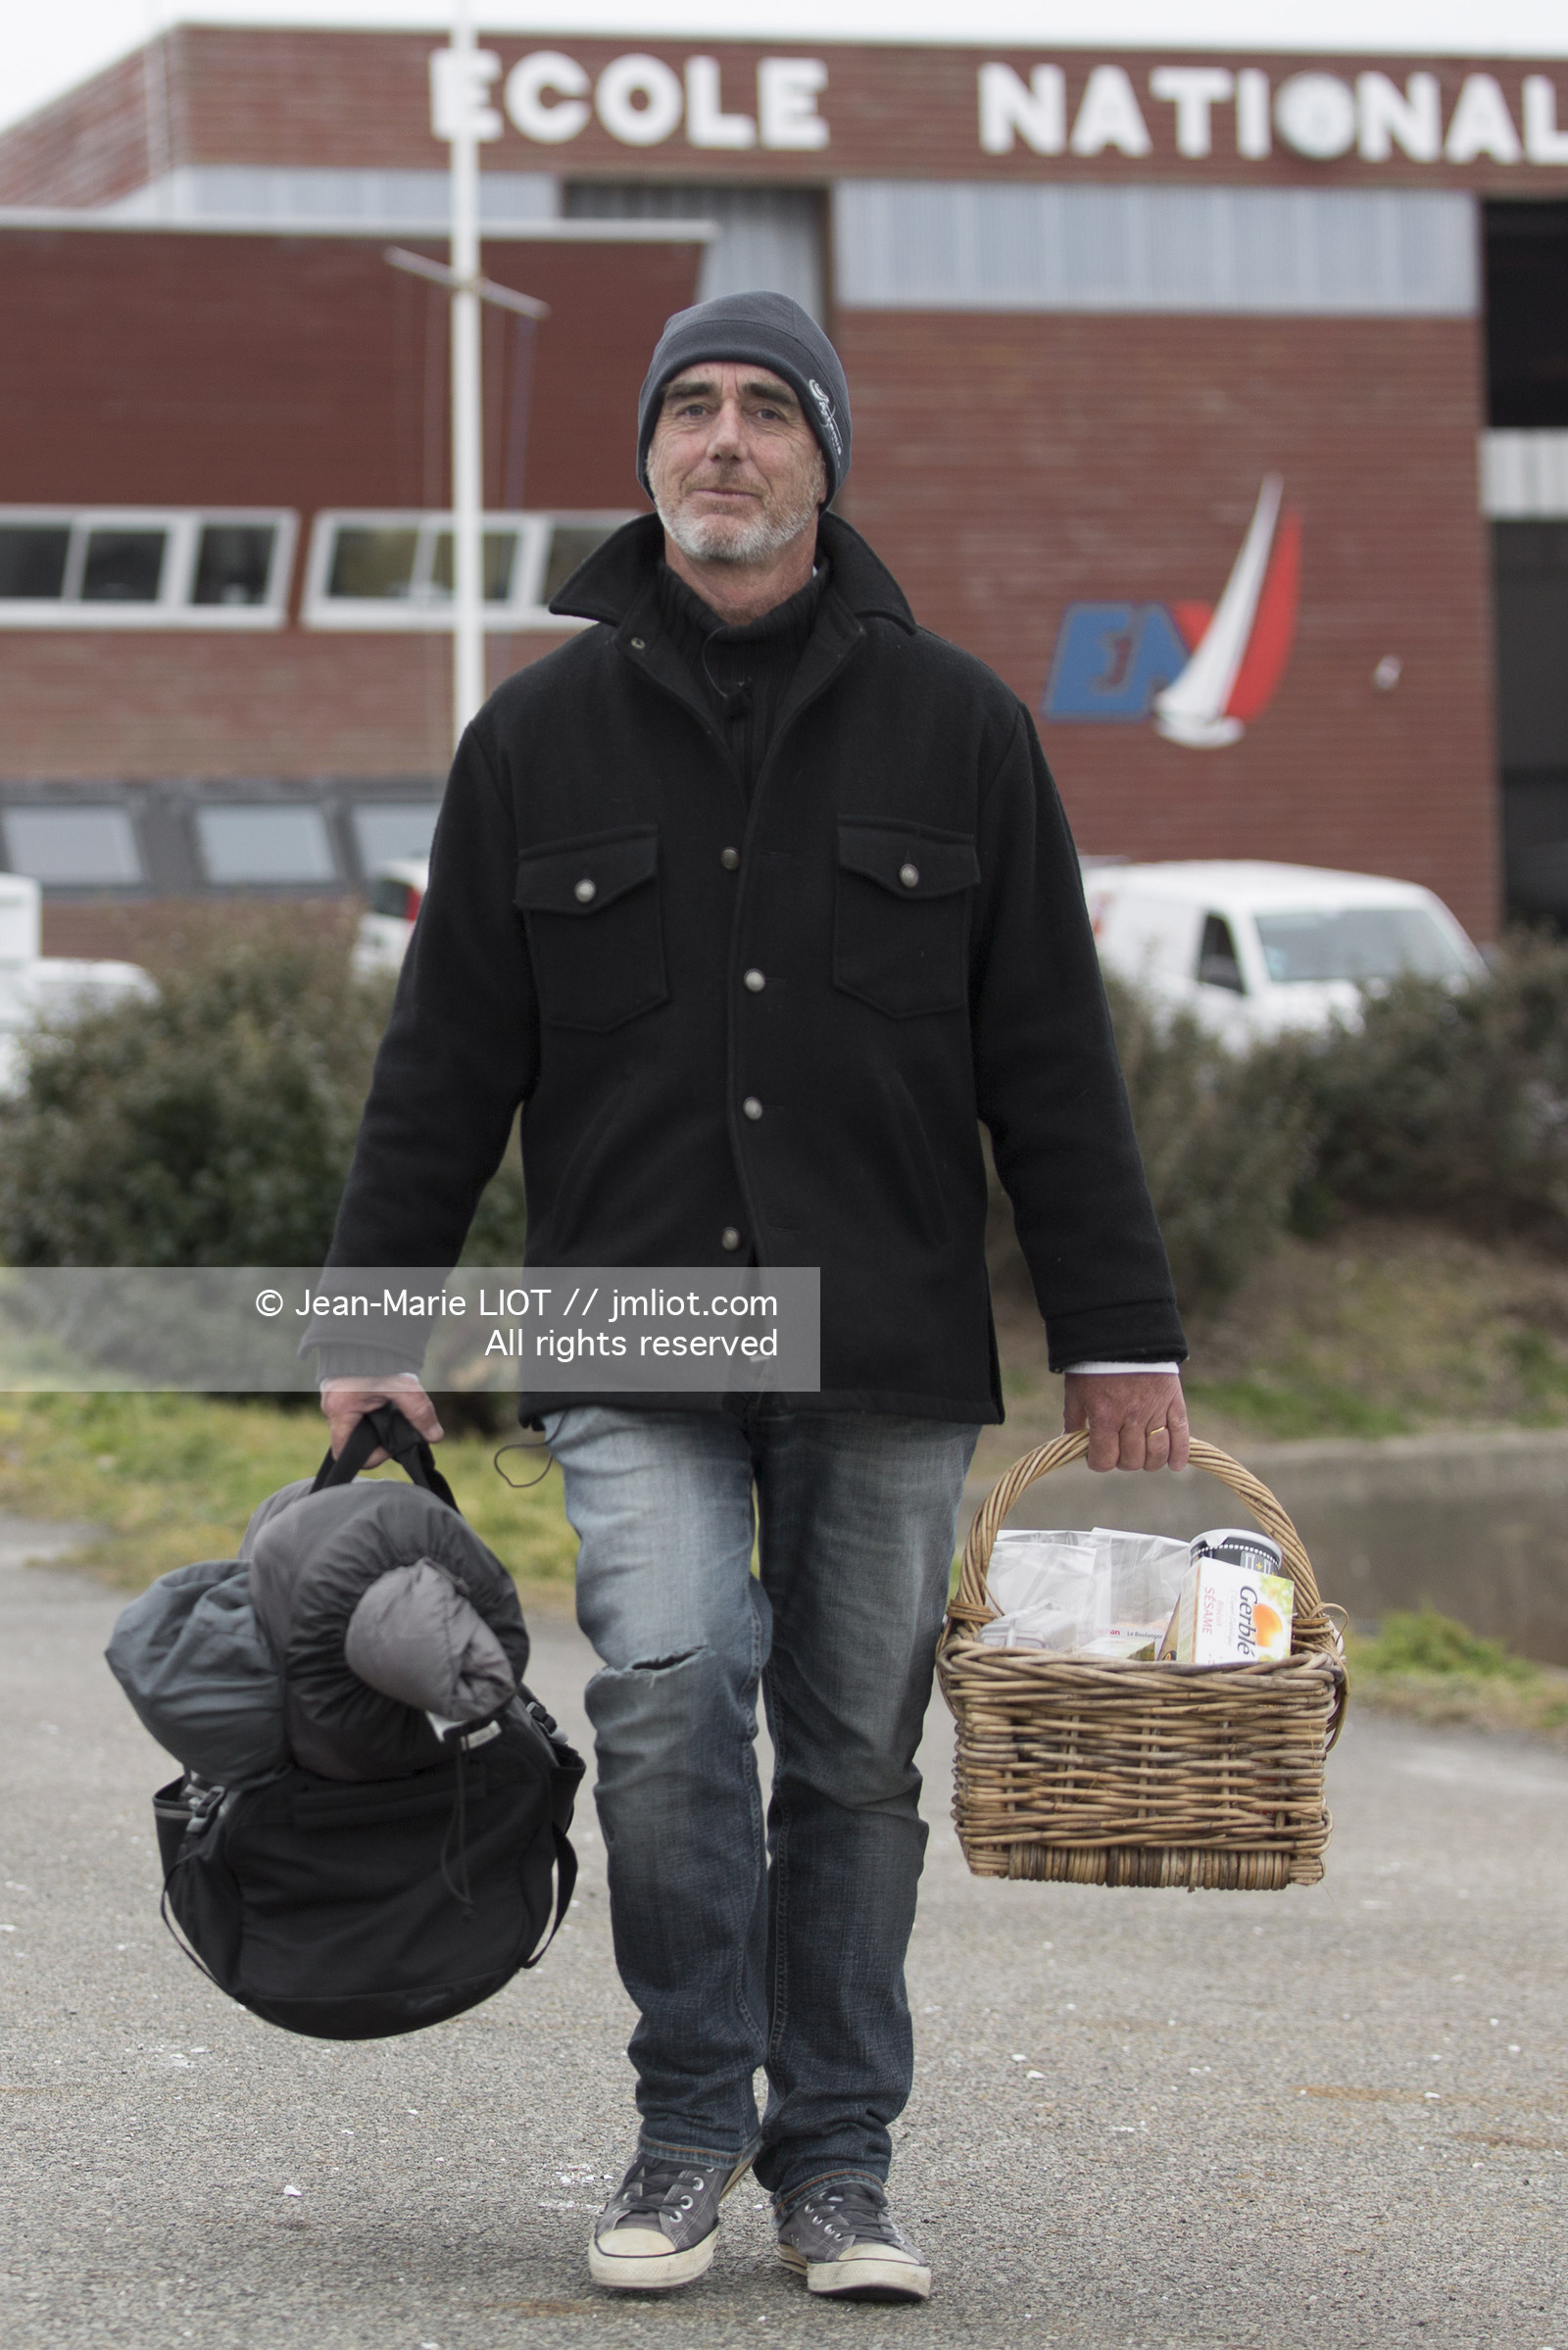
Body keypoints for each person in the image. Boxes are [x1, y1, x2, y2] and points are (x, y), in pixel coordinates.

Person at [316, 290, 1189, 2306]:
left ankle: (840, 2161)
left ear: (823, 457)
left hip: (884, 1330)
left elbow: (1050, 1055)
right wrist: (369, 1323)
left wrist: (1116, 1330)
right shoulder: (530, 739)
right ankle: (690, 2117)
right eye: (691, 408)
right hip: (634, 1329)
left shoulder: (962, 728)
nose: (724, 439)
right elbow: (442, 1060)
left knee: (858, 1757)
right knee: (669, 1689)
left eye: (766, 410)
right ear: (647, 455)